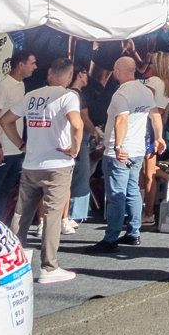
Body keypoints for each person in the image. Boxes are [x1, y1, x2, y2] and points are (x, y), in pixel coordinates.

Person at [0, 56, 82, 284]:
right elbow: (77, 124)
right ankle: (49, 267)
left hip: (31, 164)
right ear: (68, 76)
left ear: (48, 74)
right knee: (53, 217)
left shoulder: (31, 95)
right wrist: (74, 150)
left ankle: (14, 258)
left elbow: (5, 120)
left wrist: (21, 145)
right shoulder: (68, 96)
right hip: (57, 165)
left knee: (21, 213)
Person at [90, 57, 164, 253]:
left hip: (120, 153)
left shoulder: (120, 94)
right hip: (138, 151)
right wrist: (159, 137)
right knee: (132, 190)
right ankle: (133, 233)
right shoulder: (144, 90)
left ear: (117, 71)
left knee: (116, 195)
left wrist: (118, 146)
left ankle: (111, 238)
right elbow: (155, 113)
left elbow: (121, 120)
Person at [0, 51, 36, 220]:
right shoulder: (3, 87)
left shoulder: (21, 85)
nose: (35, 67)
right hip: (1, 150)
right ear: (20, 65)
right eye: (32, 63)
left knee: (4, 192)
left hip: (15, 151)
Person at [140, 47, 169, 227]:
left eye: (153, 62)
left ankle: (147, 213)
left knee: (147, 173)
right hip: (159, 125)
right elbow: (165, 115)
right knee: (148, 171)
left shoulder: (153, 81)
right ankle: (147, 212)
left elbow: (146, 106)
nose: (150, 64)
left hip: (147, 125)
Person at [64, 59, 94, 234]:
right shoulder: (77, 95)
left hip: (66, 139)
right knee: (81, 175)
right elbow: (83, 120)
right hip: (79, 140)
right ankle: (75, 213)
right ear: (79, 74)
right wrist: (96, 133)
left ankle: (67, 213)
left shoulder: (66, 93)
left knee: (70, 176)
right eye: (85, 74)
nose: (88, 77)